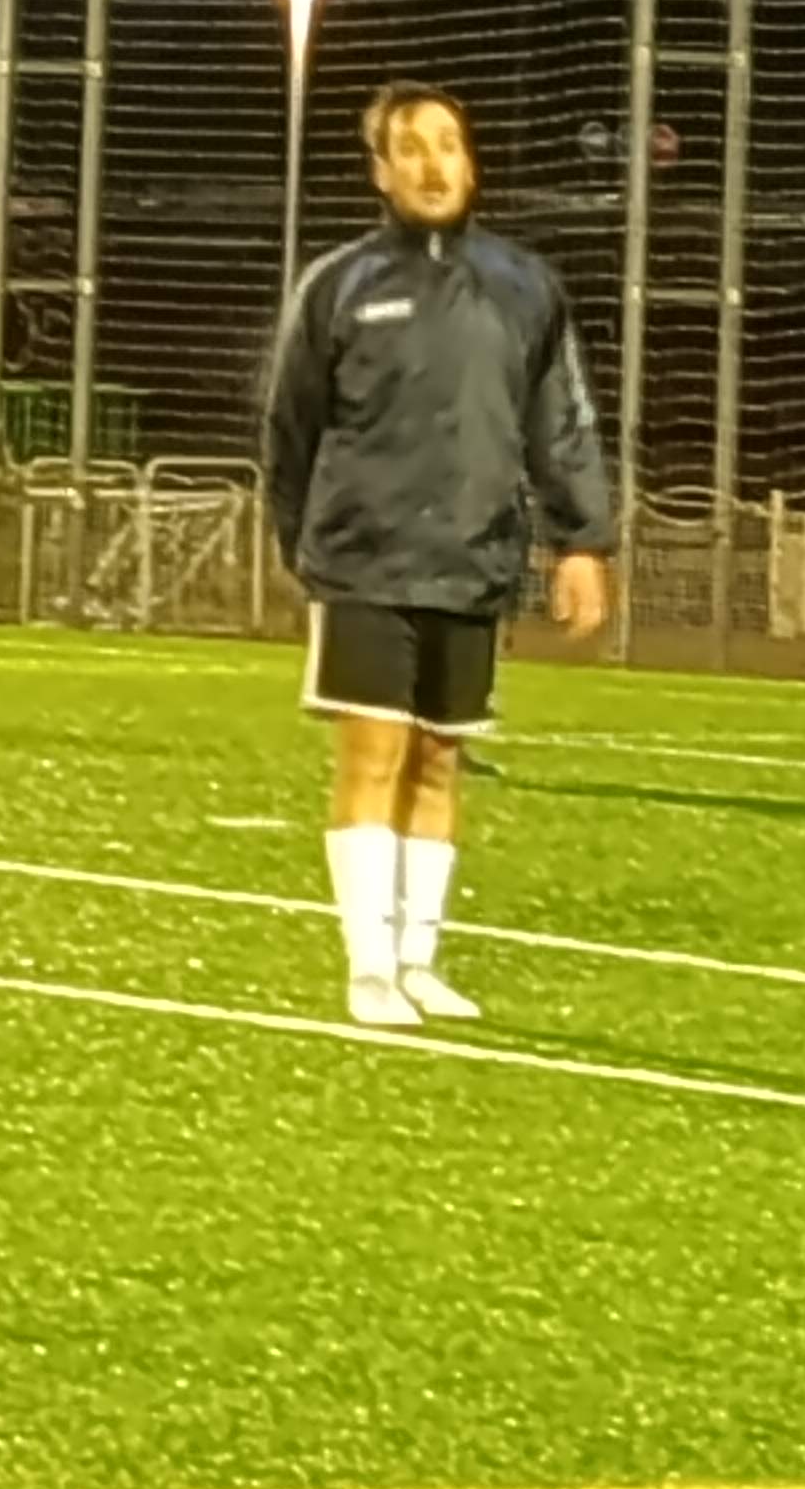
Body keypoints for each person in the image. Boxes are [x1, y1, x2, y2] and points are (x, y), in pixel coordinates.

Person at [261, 82, 611, 1031]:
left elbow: (561, 421)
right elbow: (289, 428)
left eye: (448, 144)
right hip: (366, 562)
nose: (432, 164)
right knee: (374, 753)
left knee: (441, 759)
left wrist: (582, 540)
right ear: (380, 170)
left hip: (475, 558)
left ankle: (419, 962)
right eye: (410, 148)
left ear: (471, 162)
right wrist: (308, 542)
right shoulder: (338, 285)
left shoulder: (524, 286)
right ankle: (368, 969)